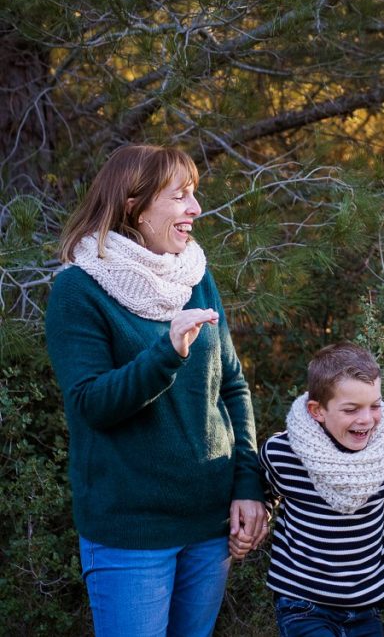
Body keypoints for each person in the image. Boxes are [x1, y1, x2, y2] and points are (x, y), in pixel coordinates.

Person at [45, 144, 267, 637]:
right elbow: (90, 404)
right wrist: (167, 352)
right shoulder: (79, 290)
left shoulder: (194, 276)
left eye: (195, 195)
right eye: (181, 196)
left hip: (209, 526)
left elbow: (232, 386)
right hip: (132, 533)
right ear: (134, 205)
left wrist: (248, 486)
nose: (196, 208)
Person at [254, 343, 384, 637]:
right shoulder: (283, 454)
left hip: (367, 604)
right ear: (317, 410)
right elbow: (262, 495)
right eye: (351, 409)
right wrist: (255, 521)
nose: (366, 419)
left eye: (375, 405)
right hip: (302, 601)